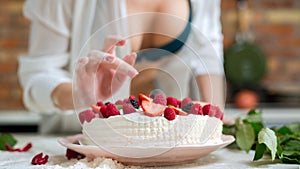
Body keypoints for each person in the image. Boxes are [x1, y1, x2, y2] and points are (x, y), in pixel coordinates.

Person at [18, 0, 225, 133]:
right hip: (82, 151)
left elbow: (208, 54)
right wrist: (77, 95)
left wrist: (214, 124)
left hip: (176, 150)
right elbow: (38, 75)